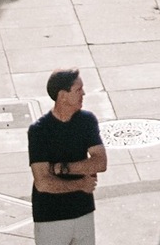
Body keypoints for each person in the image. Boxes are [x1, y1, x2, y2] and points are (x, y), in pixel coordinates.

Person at [27, 68, 107, 244]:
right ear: (62, 95)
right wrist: (81, 183)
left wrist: (61, 168)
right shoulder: (39, 131)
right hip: (51, 218)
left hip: (83, 212)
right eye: (78, 90)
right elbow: (43, 182)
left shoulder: (87, 121)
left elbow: (100, 162)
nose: (83, 93)